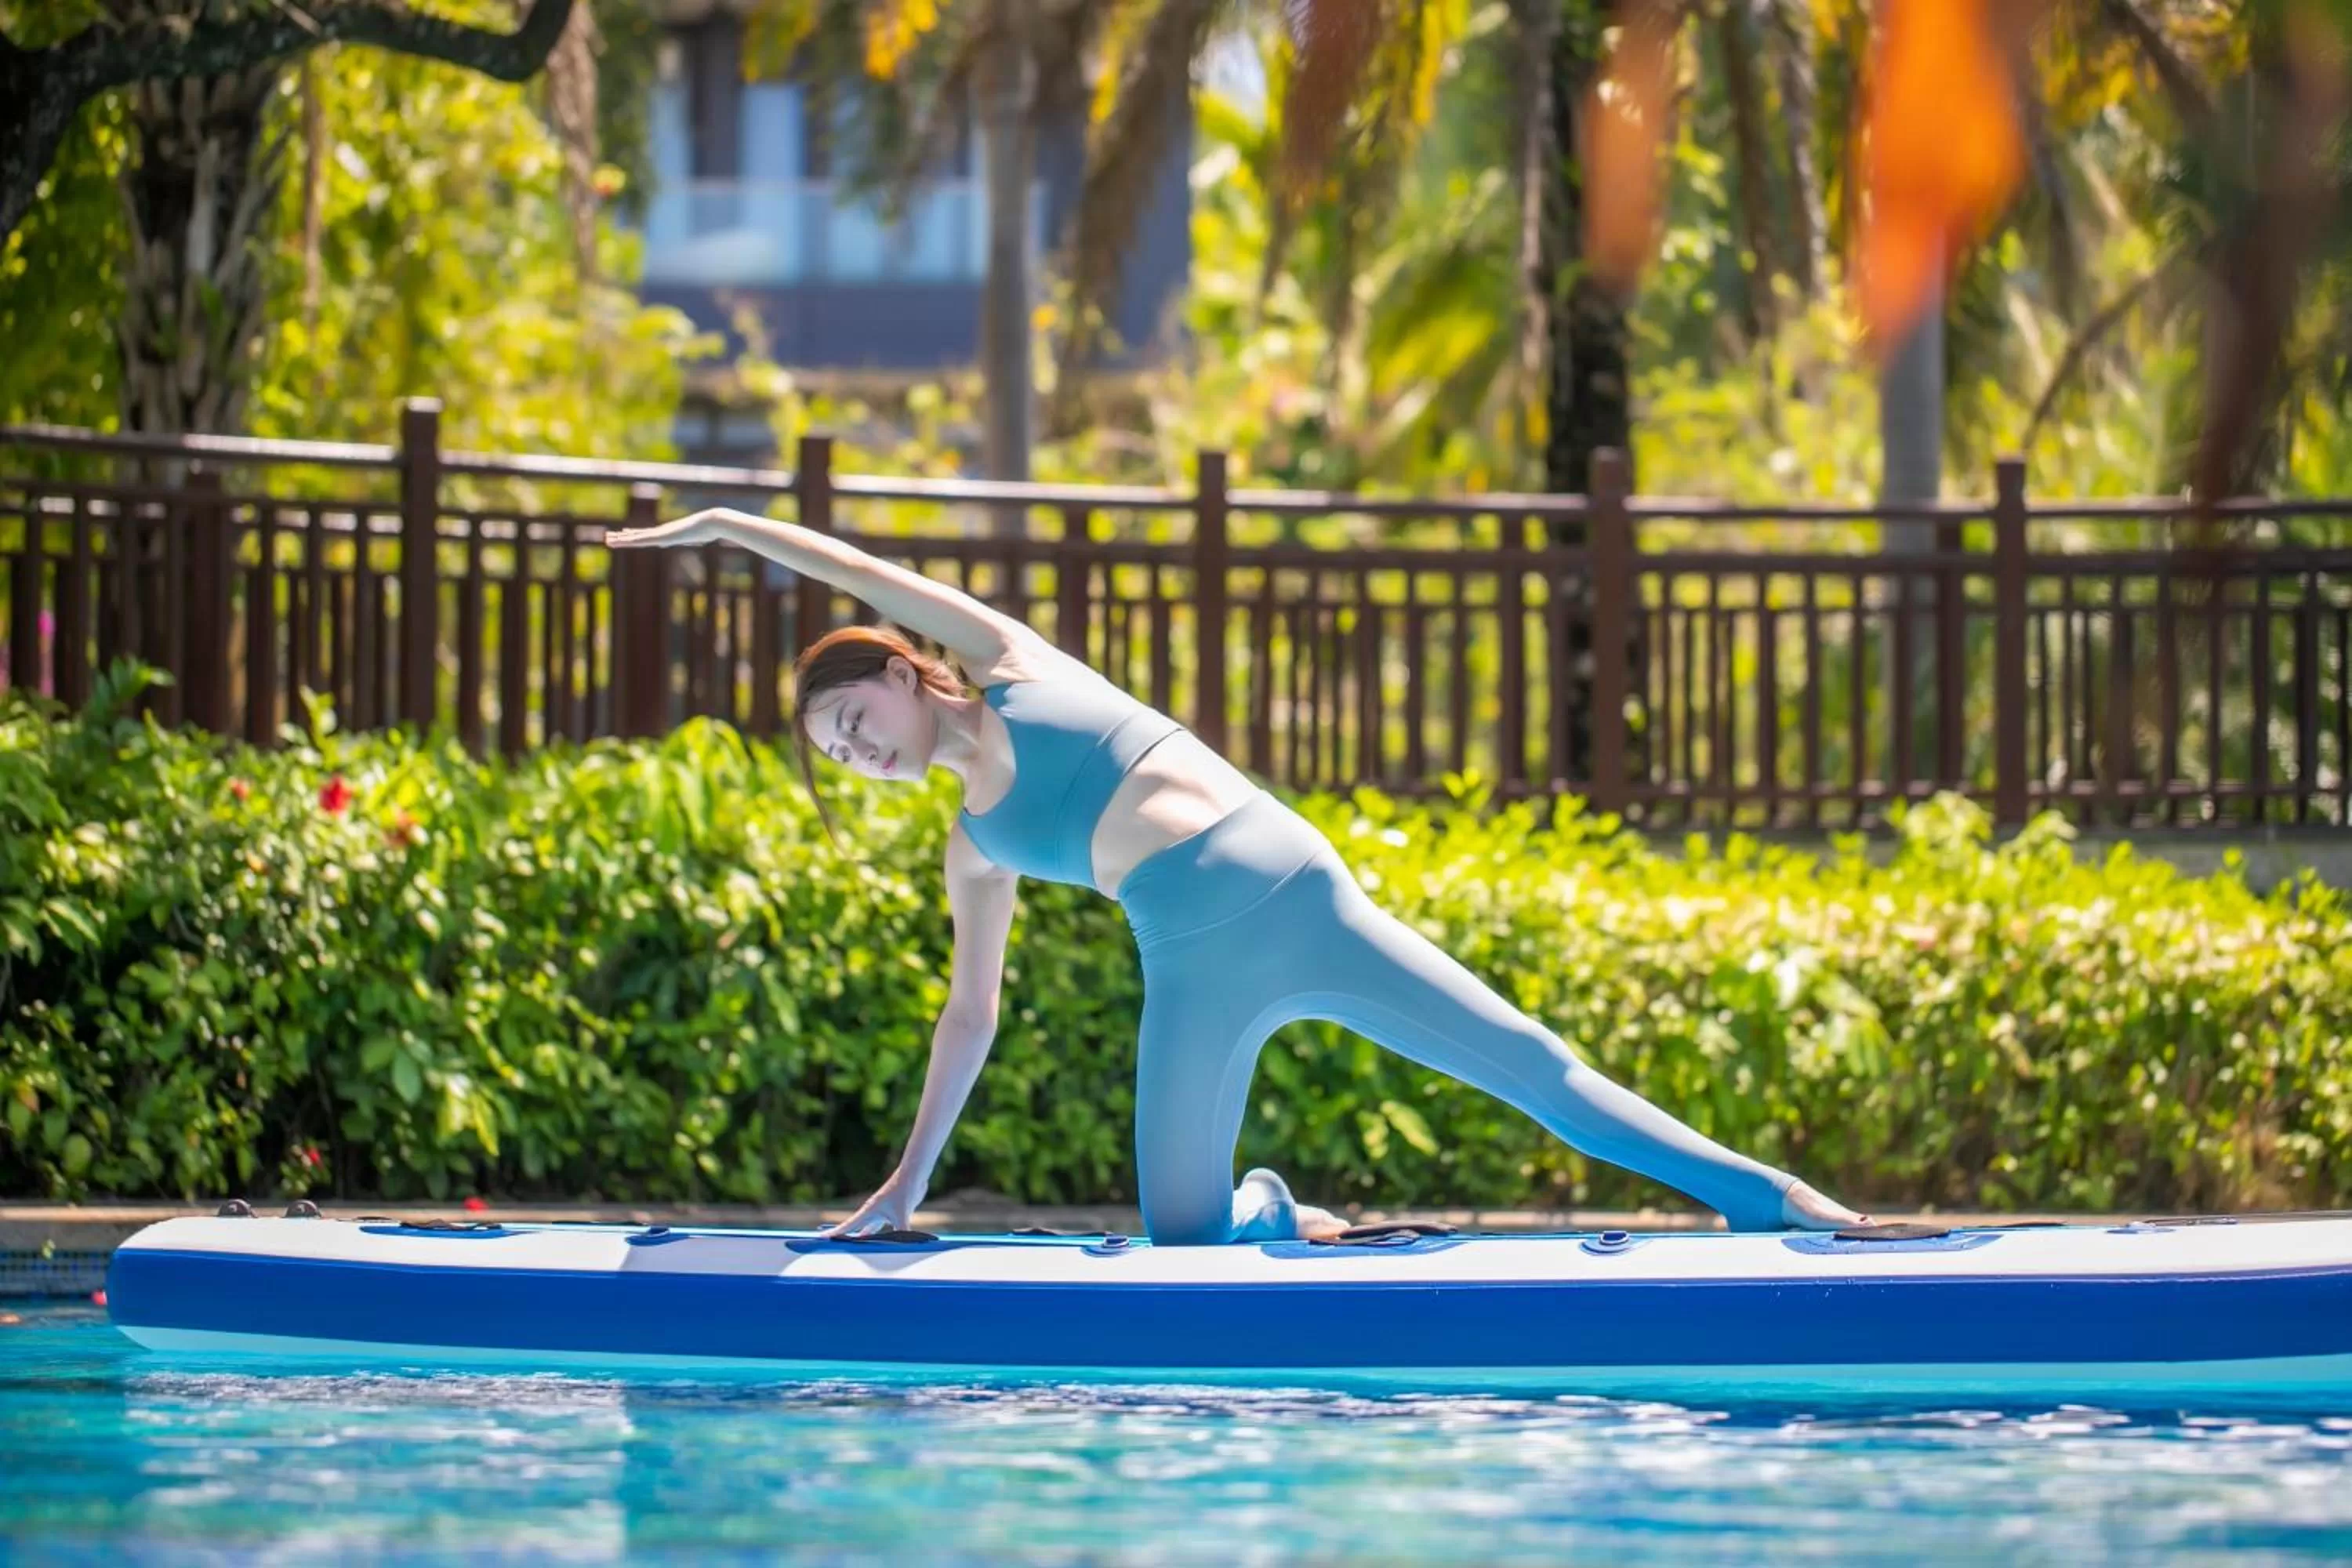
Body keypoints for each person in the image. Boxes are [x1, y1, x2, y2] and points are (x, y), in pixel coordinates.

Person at [606, 506, 1868, 1244]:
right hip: (1191, 967)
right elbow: (972, 1014)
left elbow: (863, 572)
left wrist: (722, 526)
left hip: (1297, 894)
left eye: (853, 720)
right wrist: (905, 1185)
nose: (864, 752)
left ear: (892, 671)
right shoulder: (973, 847)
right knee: (1186, 1244)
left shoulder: (1009, 664)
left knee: (1534, 1069)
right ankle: (1271, 1209)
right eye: (842, 756)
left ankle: (1777, 1203)